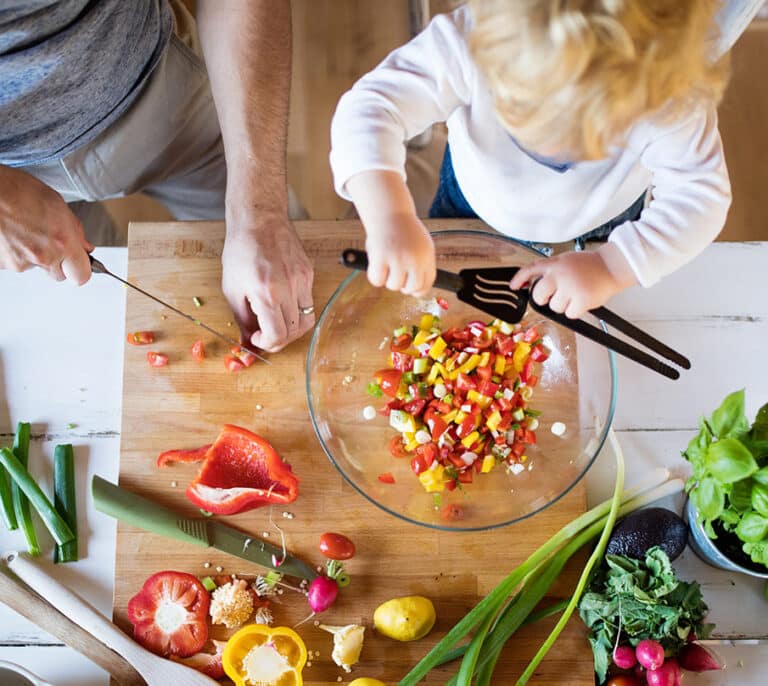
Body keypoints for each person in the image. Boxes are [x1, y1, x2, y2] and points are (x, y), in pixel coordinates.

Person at [329, 0, 736, 320]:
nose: (556, 153)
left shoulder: (673, 92)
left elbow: (700, 197)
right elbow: (371, 108)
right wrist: (390, 217)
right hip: (473, 202)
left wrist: (613, 267)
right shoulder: (474, 39)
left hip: (604, 224)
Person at [0, 0, 313, 352]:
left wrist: (262, 215)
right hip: (13, 170)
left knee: (279, 284)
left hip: (157, 88)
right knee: (91, 317)